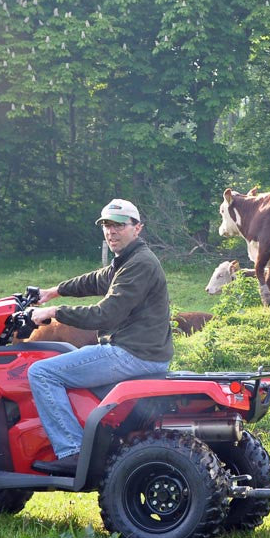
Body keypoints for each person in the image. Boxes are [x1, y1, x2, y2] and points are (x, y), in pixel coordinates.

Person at [26, 199, 173, 476]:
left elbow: (104, 315)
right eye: (106, 225)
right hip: (143, 352)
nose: (111, 231)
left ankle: (72, 451)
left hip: (132, 354)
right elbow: (96, 280)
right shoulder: (128, 261)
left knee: (42, 373)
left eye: (119, 225)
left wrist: (55, 311)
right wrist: (54, 291)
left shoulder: (139, 264)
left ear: (137, 228)